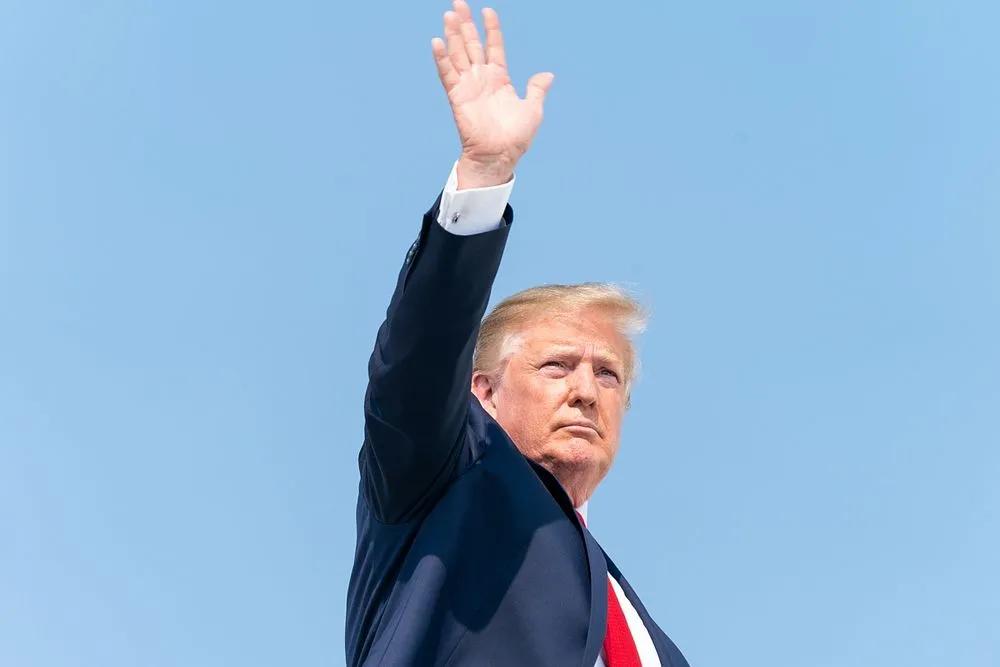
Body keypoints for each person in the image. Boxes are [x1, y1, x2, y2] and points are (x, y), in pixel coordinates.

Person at [346, 2, 690, 665]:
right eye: (558, 365)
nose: (588, 391)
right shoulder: (442, 479)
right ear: (483, 392)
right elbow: (420, 360)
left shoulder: (647, 633)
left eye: (608, 373)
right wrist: (484, 175)